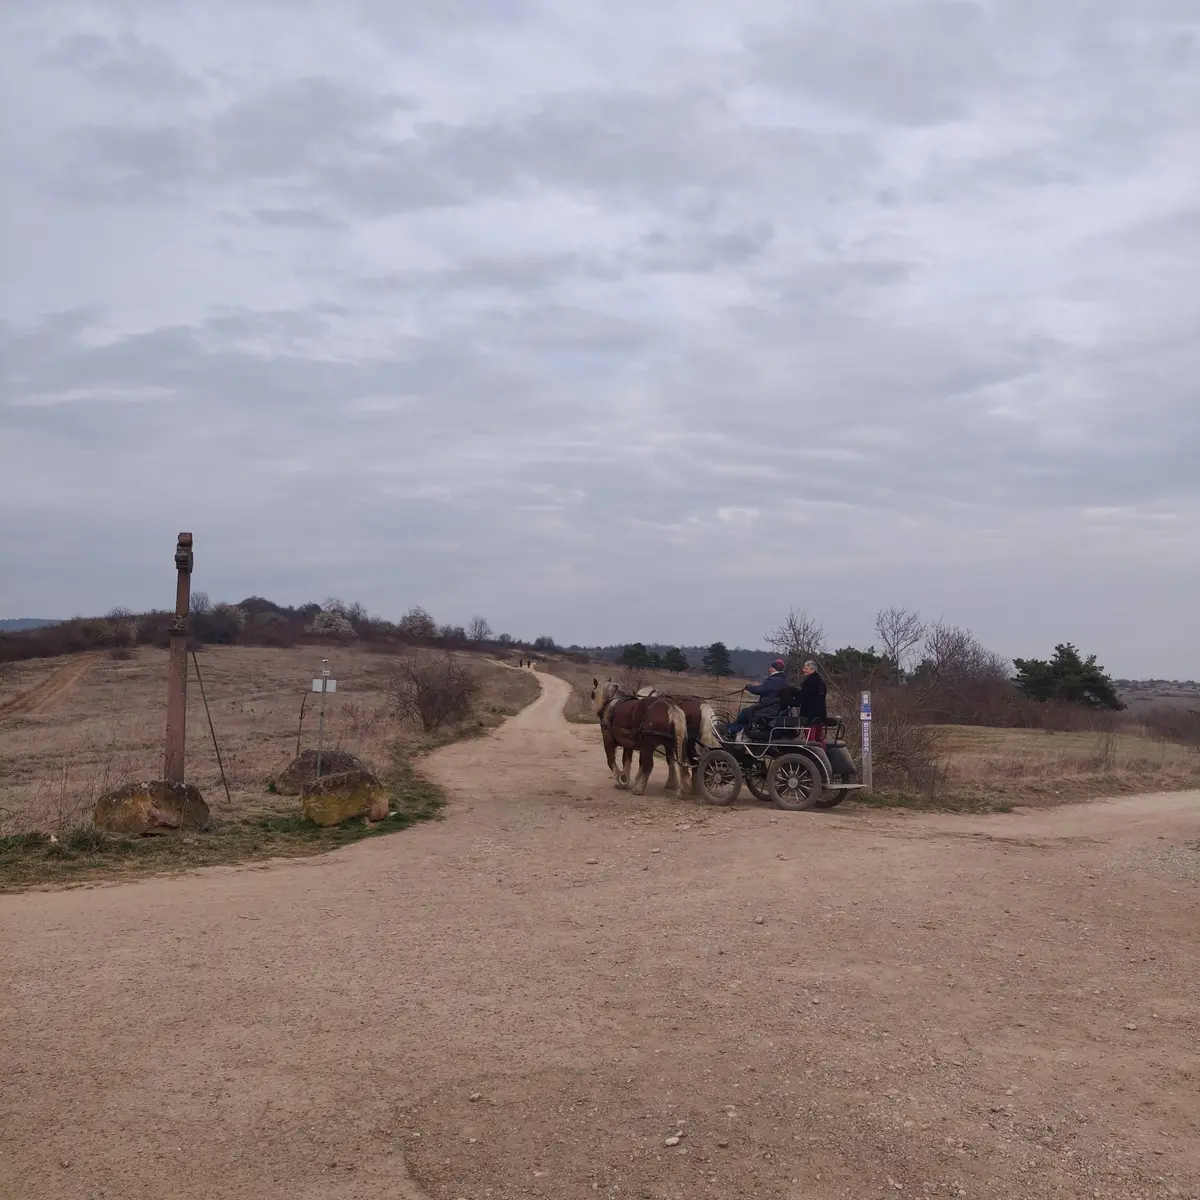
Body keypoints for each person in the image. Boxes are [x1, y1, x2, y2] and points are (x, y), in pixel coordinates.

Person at [724, 658, 789, 741]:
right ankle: (732, 729)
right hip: (773, 707)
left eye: (770, 667)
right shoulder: (783, 680)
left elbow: (759, 690)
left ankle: (731, 730)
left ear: (774, 669)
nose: (769, 669)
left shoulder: (773, 680)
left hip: (769, 708)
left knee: (745, 712)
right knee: (747, 712)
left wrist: (748, 686)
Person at [796, 659, 828, 744]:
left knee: (810, 740)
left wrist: (794, 701)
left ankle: (813, 756)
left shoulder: (809, 682)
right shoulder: (821, 682)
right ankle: (823, 754)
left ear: (813, 669)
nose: (804, 670)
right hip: (820, 715)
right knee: (820, 738)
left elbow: (803, 696)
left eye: (806, 668)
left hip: (810, 715)